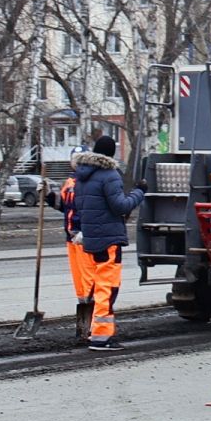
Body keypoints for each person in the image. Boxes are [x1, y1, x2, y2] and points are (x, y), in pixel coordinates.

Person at [71, 135, 144, 351]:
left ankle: (98, 332)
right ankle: (101, 337)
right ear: (111, 154)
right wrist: (140, 192)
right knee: (107, 287)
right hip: (109, 237)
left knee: (98, 285)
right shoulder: (109, 175)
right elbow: (120, 206)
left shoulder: (82, 177)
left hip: (92, 237)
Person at [56, 155, 103, 342]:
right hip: (71, 237)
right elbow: (63, 206)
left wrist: (85, 229)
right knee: (79, 282)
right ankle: (85, 315)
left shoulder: (88, 182)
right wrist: (49, 195)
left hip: (83, 237)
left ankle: (94, 320)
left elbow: (92, 208)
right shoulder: (69, 182)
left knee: (89, 278)